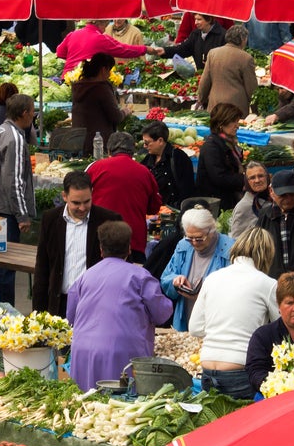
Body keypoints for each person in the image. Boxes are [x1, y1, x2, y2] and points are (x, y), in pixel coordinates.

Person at [66, 221, 173, 391]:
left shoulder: (85, 276)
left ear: (101, 249)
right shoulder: (140, 276)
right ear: (129, 249)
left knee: (85, 406)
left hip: (83, 351)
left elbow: (71, 316)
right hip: (123, 352)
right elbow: (162, 313)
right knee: (120, 408)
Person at [188, 228, 280, 398]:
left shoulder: (213, 278)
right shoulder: (268, 284)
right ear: (266, 255)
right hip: (241, 370)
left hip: (207, 368)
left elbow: (195, 328)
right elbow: (281, 331)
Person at [32, 171, 122, 317]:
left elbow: (120, 267)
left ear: (92, 194)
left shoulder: (109, 220)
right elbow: (42, 267)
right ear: (64, 196)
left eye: (87, 201)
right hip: (59, 304)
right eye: (76, 203)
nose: (82, 208)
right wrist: (38, 312)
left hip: (96, 306)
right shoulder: (50, 219)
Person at [0, 94, 36, 304]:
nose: (33, 115)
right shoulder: (15, 137)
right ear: (24, 113)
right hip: (6, 211)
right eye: (32, 111)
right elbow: (14, 181)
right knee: (4, 267)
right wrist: (22, 215)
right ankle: (5, 314)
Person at [88, 132, 162, 260]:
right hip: (133, 241)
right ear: (132, 152)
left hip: (100, 240)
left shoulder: (95, 168)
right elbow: (153, 208)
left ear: (109, 150)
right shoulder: (144, 172)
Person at [160, 207, 235, 331]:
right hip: (185, 319)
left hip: (216, 324)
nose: (194, 242)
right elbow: (165, 278)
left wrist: (205, 296)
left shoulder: (230, 249)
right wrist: (175, 281)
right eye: (190, 238)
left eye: (199, 238)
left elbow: (235, 292)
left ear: (212, 231)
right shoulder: (183, 245)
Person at [71, 53, 129, 156]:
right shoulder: (101, 88)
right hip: (98, 142)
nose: (109, 74)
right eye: (109, 70)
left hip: (78, 140)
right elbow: (116, 117)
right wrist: (125, 111)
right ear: (103, 69)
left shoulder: (78, 86)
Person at [197, 24, 257, 115]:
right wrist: (255, 109)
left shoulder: (213, 53)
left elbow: (205, 81)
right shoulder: (246, 58)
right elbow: (251, 88)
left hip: (215, 104)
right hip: (236, 107)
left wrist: (200, 100)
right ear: (243, 39)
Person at [196, 102, 245, 210]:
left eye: (237, 121)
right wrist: (245, 180)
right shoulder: (212, 147)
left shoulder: (228, 143)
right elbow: (219, 177)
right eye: (234, 121)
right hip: (215, 204)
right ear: (221, 124)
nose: (237, 125)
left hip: (226, 199)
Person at [55, 21, 147, 76]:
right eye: (105, 25)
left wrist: (74, 57)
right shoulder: (100, 38)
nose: (105, 29)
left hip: (67, 78)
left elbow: (59, 52)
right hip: (87, 80)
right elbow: (122, 50)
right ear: (100, 24)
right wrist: (145, 49)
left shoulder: (73, 34)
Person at [140, 120, 195, 208]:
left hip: (172, 212)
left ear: (160, 141)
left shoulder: (179, 158)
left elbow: (187, 190)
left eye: (147, 143)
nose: (144, 146)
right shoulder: (148, 159)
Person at [161, 13, 226, 74]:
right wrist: (164, 51)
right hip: (201, 77)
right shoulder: (196, 34)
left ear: (209, 20)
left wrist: (213, 63)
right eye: (195, 19)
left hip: (217, 78)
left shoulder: (223, 36)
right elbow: (183, 49)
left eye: (199, 19)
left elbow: (227, 60)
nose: (195, 23)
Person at [229, 161, 272, 239]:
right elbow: (236, 240)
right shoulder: (244, 206)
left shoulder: (273, 198)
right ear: (247, 182)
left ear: (267, 177)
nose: (257, 180)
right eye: (252, 178)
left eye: (261, 176)